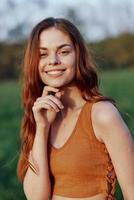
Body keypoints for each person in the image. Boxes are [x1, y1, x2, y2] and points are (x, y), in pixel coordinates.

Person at [17, 17, 134, 200]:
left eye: (63, 51)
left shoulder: (102, 114)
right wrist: (42, 128)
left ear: (78, 55)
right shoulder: (42, 117)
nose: (53, 61)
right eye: (43, 54)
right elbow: (36, 197)